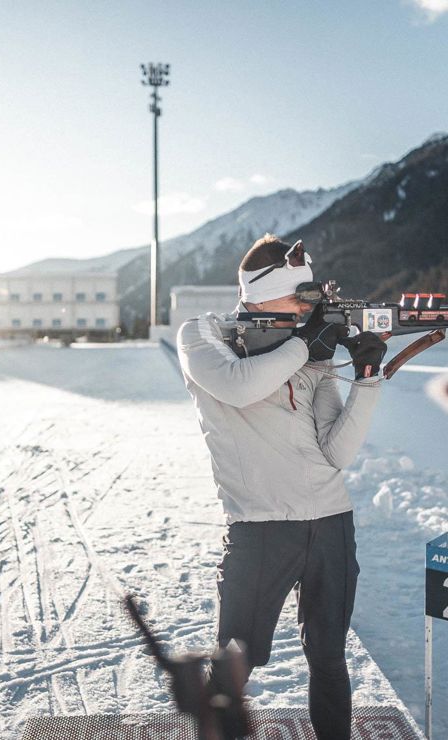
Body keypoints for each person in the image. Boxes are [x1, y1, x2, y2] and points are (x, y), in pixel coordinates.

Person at [176, 234, 387, 740]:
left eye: (310, 301)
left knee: (330, 658)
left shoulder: (306, 354)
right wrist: (303, 344)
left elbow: (337, 453)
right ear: (259, 296)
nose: (304, 309)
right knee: (234, 661)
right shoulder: (201, 336)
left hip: (331, 520)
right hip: (262, 526)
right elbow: (238, 386)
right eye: (299, 298)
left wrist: (368, 377)